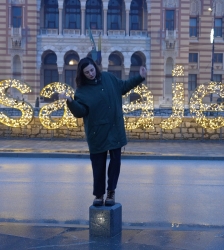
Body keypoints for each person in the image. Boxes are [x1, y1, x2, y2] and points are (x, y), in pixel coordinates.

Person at [59, 57, 146, 206]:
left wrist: (140, 77)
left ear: (95, 67)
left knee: (115, 163)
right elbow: (80, 112)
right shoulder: (82, 91)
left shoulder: (108, 78)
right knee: (98, 165)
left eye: (92, 70)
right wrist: (71, 102)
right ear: (82, 74)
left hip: (114, 128)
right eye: (87, 72)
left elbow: (124, 86)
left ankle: (111, 192)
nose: (90, 74)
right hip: (97, 132)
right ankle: (99, 194)